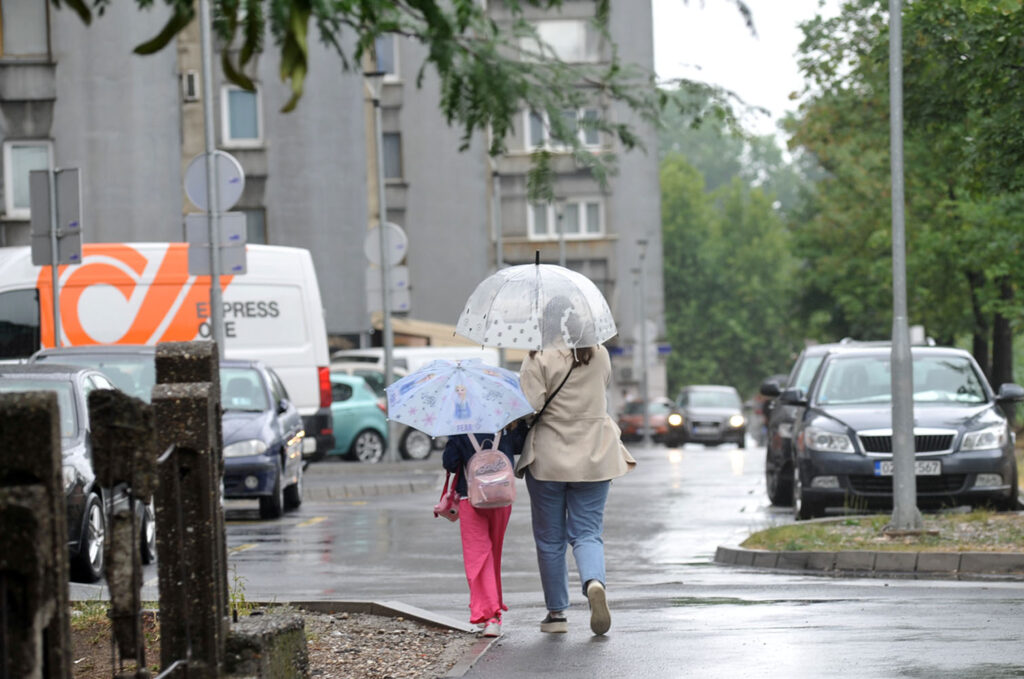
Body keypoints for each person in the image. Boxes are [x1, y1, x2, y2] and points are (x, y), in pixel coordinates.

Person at [516, 299, 637, 636]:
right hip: (596, 457)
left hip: (549, 460)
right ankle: (594, 582)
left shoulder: (537, 357)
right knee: (587, 533)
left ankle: (556, 614)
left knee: (550, 540)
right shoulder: (598, 353)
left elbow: (529, 407)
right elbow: (602, 391)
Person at [442, 422, 527, 637]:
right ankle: (493, 606)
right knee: (494, 553)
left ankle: (491, 616)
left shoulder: (461, 426)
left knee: (478, 557)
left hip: (470, 498)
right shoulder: (504, 422)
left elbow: (451, 463)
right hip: (502, 498)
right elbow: (518, 447)